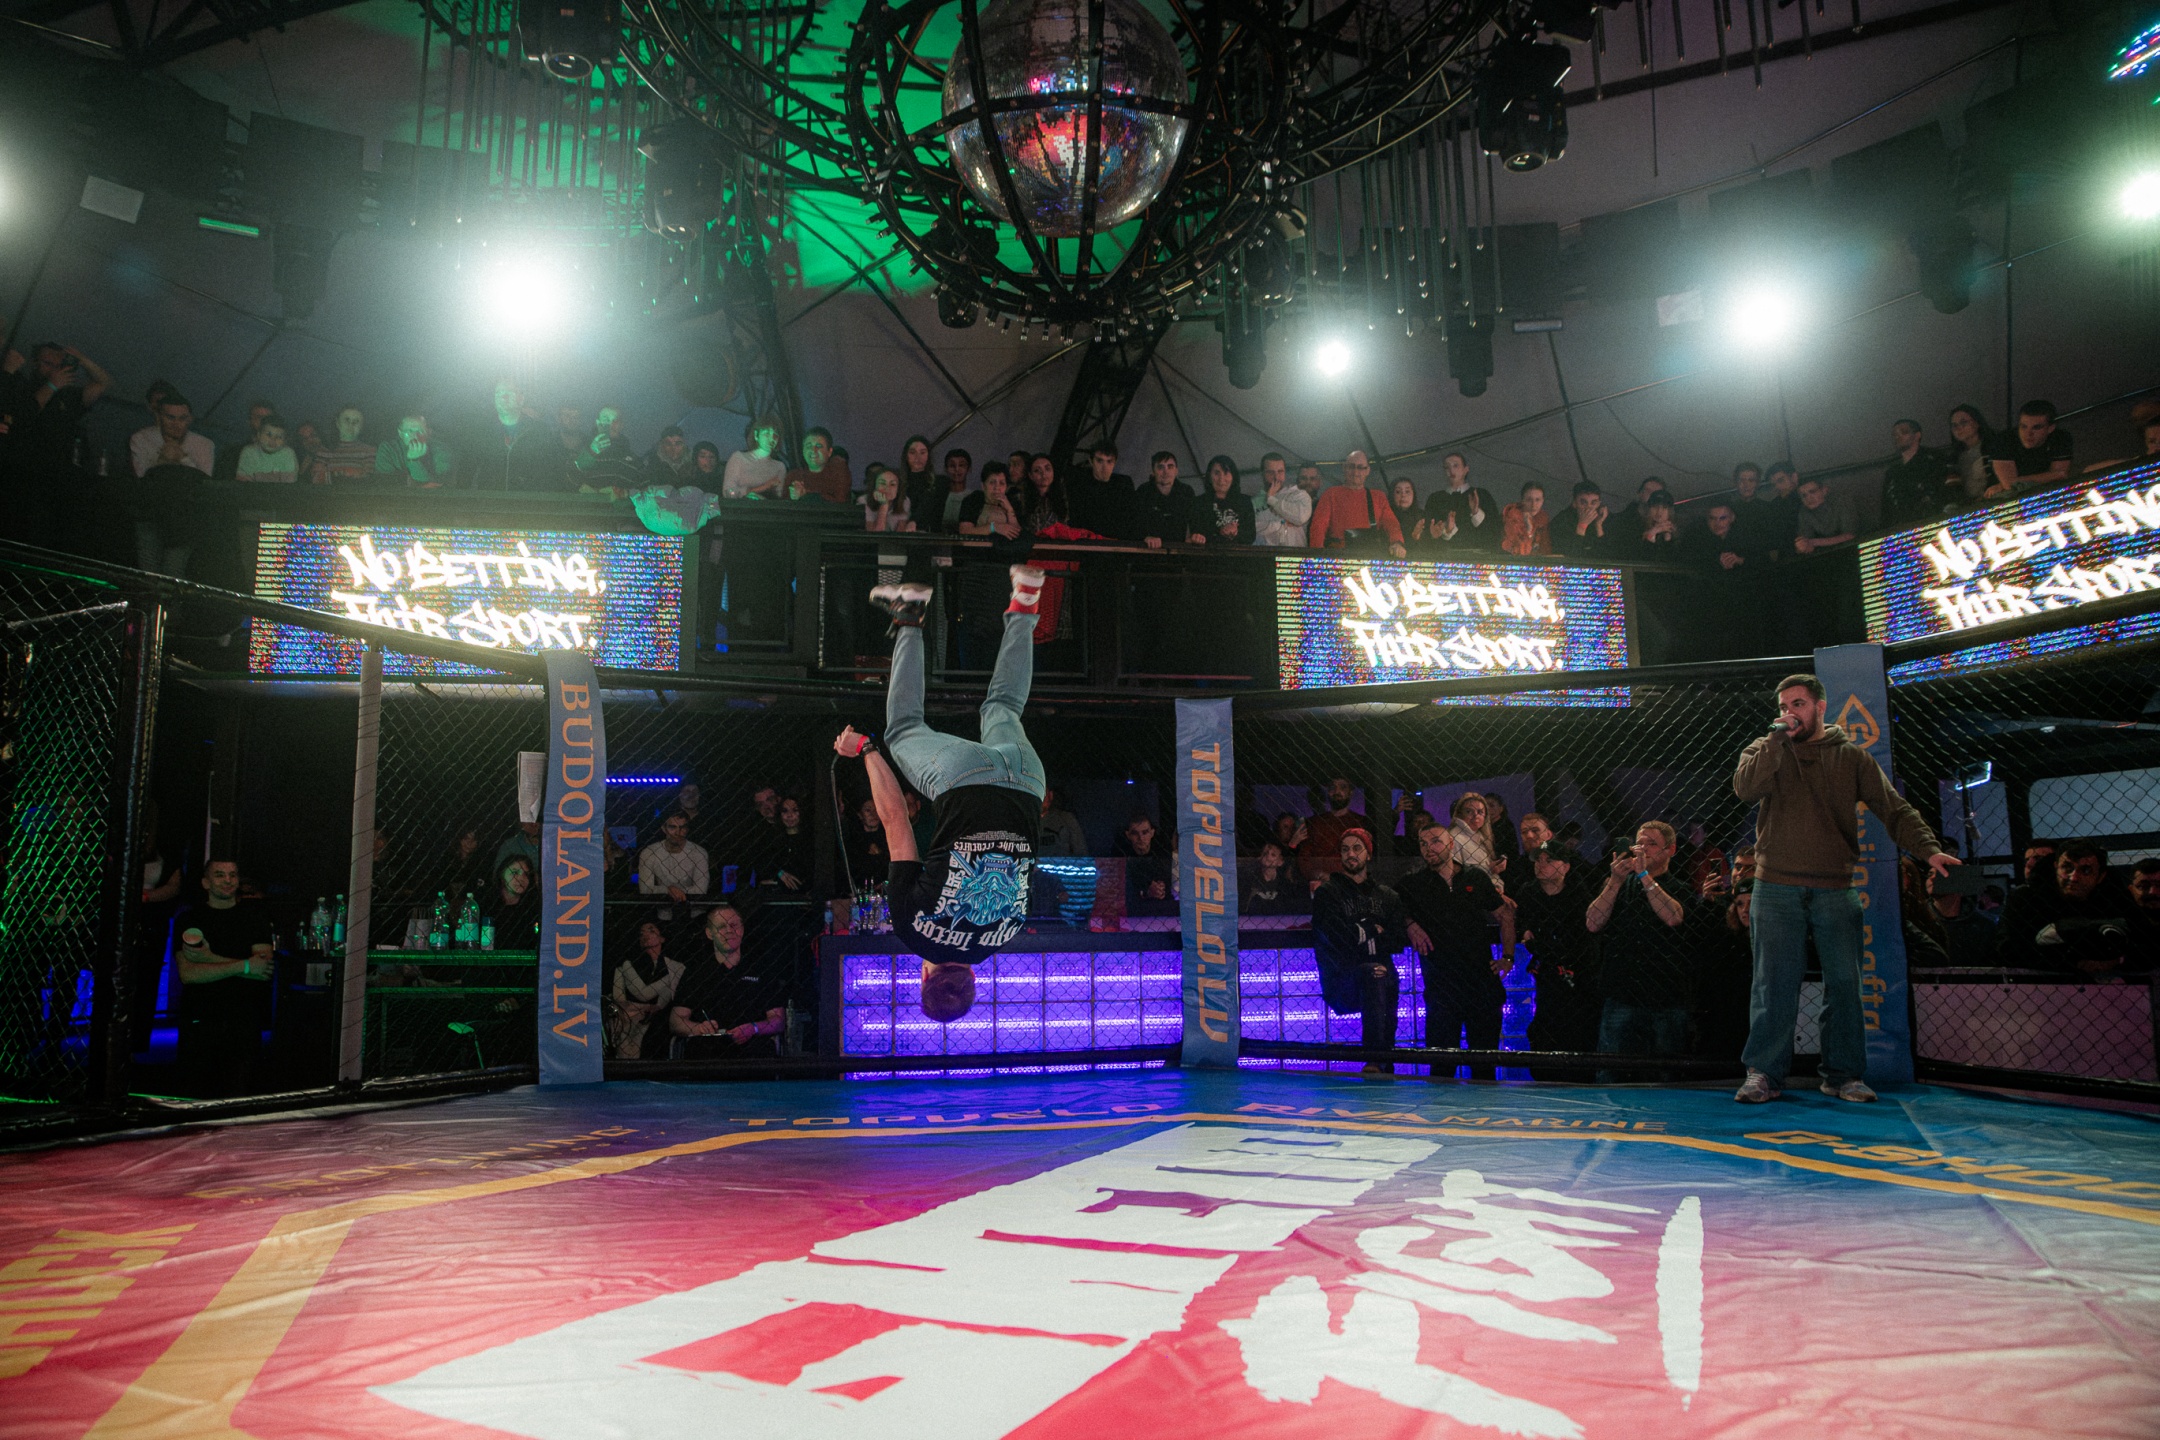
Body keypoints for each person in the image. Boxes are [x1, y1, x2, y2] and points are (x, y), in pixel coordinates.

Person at [835, 564, 1049, 1022]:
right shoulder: (913, 932)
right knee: (903, 728)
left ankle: (1025, 602)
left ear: (974, 979)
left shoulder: (1005, 934)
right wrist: (867, 750)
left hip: (1029, 782)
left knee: (1004, 706)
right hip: (964, 781)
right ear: (924, 979)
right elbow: (896, 822)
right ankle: (909, 614)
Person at [1733, 673, 1954, 1103]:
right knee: (1772, 985)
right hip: (1775, 885)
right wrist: (1775, 740)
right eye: (1782, 707)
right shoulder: (1764, 748)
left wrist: (1929, 851)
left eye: (1797, 704)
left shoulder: (1851, 757)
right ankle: (1764, 1074)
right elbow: (1745, 789)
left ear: (1820, 707)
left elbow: (1894, 809)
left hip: (1835, 886)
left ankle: (1843, 1075)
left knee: (1845, 983)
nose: (1788, 713)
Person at [1398, 823, 1516, 1080]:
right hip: (1441, 983)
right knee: (1442, 1067)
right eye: (1423, 843)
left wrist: (1508, 957)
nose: (1429, 848)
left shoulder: (1474, 877)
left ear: (1451, 844)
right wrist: (1410, 924)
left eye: (1435, 841)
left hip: (1480, 981)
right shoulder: (1414, 884)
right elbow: (1392, 908)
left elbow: (1505, 914)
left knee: (1484, 1066)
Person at [1585, 821, 1695, 1075]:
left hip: (1664, 996)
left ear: (1670, 850)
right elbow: (1592, 922)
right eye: (1639, 843)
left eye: (1651, 844)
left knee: (1665, 1073)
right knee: (1612, 1070)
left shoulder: (1679, 888)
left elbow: (1673, 917)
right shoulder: (1620, 887)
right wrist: (1615, 881)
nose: (1642, 849)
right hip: (1622, 993)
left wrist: (1645, 876)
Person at [1311, 828, 1411, 1075]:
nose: (1350, 854)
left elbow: (1398, 939)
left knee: (1384, 973)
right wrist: (1372, 930)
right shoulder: (1328, 893)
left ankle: (1385, 1060)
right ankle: (1375, 1059)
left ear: (1368, 853)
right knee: (1374, 971)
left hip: (1381, 974)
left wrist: (1358, 933)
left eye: (1357, 848)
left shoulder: (1387, 895)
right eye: (1345, 849)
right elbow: (1336, 936)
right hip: (1342, 978)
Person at [173, 857, 273, 1098]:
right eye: (220, 875)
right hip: (200, 1019)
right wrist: (245, 966)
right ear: (206, 883)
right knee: (196, 1098)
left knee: (239, 1096)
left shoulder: (255, 917)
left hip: (243, 1020)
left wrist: (208, 958)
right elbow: (188, 974)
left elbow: (263, 970)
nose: (228, 880)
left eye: (232, 875)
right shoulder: (189, 920)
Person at [1516, 840, 1601, 1065]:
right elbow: (1522, 924)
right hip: (1546, 970)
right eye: (1538, 860)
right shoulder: (1529, 892)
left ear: (1565, 866)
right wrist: (1526, 934)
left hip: (1579, 971)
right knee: (1547, 1021)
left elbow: (1582, 935)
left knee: (1578, 1023)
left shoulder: (1579, 892)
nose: (1541, 864)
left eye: (1549, 860)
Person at [669, 903, 787, 1058]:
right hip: (707, 1050)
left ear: (742, 929)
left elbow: (778, 1020)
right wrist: (698, 1028)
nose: (729, 930)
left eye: (733, 925)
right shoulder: (696, 972)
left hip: (753, 1051)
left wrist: (753, 1028)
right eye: (722, 926)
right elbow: (676, 1020)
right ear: (709, 933)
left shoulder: (761, 968)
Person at [1995, 841, 2132, 974]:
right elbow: (2007, 948)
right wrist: (2076, 962)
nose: (2074, 877)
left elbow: (2140, 942)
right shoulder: (2025, 898)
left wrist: (2116, 960)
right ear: (2056, 867)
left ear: (2101, 876)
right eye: (2067, 867)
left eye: (2085, 870)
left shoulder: (2115, 899)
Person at [608, 920, 684, 1060]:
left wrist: (652, 1007)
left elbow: (662, 1003)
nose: (645, 935)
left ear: (662, 938)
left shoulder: (673, 966)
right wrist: (646, 1007)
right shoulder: (628, 963)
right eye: (641, 933)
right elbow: (638, 994)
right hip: (628, 1016)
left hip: (654, 1020)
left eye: (651, 931)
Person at [471, 378, 565, 490]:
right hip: (489, 499)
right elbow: (468, 470)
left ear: (521, 398)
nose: (503, 397)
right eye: (498, 393)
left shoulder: (539, 432)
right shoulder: (482, 431)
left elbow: (550, 473)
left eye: (509, 393)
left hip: (526, 499)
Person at [1307, 450, 1406, 555]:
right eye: (1351, 467)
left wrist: (1397, 542)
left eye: (1360, 467)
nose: (1355, 472)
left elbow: (1391, 523)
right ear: (1344, 468)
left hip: (1370, 556)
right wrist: (1317, 555)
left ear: (1367, 470)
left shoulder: (1378, 497)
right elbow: (1318, 527)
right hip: (1339, 556)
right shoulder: (1330, 494)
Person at [1984, 400, 2073, 498]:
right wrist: (2050, 476)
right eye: (2024, 427)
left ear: (2050, 428)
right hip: (2000, 499)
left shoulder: (2060, 438)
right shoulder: (2004, 440)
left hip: (2044, 495)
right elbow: (2011, 485)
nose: (2028, 433)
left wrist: (2015, 482)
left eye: (2036, 427)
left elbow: (2059, 478)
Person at [1880, 418, 1953, 532]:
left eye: (1904, 432)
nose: (1898, 437)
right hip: (1904, 528)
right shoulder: (1892, 472)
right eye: (1894, 434)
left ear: (1917, 435)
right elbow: (1887, 507)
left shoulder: (1935, 460)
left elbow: (1950, 489)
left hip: (1935, 522)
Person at [639, 811, 711, 917]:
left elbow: (700, 890)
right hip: (662, 913)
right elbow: (645, 889)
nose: (678, 832)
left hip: (695, 913)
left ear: (687, 829)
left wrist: (671, 891)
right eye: (672, 827)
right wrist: (668, 890)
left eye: (683, 827)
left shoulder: (699, 853)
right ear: (664, 828)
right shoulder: (649, 852)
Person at [129, 392, 214, 478]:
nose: (176, 424)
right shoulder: (141, 438)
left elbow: (204, 482)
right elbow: (141, 478)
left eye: (182, 418)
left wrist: (183, 459)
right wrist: (162, 460)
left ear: (190, 419)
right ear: (159, 417)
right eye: (170, 418)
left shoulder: (205, 444)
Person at [1423, 453, 1498, 549]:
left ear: (1466, 469)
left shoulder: (1481, 495)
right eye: (1447, 467)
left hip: (1478, 554)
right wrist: (1446, 531)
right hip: (1445, 555)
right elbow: (1429, 535)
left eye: (1455, 465)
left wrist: (1476, 512)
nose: (1451, 470)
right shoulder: (1435, 499)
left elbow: (1493, 530)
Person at [1301, 777, 1367, 882]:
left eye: (1343, 787)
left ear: (1350, 793)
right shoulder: (1314, 823)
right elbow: (1304, 857)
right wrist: (1318, 874)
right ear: (1328, 792)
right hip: (1320, 882)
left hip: (1351, 882)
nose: (1337, 791)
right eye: (1332, 788)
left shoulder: (1360, 822)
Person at [1131, 451, 1200, 549]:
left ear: (1176, 471)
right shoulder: (1143, 491)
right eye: (1160, 467)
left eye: (1170, 467)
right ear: (1153, 471)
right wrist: (1145, 537)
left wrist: (1195, 535)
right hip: (1150, 549)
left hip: (1178, 549)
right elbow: (1134, 523)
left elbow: (1195, 520)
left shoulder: (1186, 492)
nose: (1165, 472)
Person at [1066, 443, 1133, 540]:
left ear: (1115, 462)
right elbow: (1078, 520)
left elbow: (1129, 518)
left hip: (1115, 542)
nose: (1104, 467)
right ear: (1091, 461)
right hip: (1087, 541)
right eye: (1099, 461)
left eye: (1109, 461)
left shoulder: (1124, 484)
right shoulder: (1080, 484)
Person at [376, 412, 457, 488]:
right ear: (400, 433)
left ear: (429, 432)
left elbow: (439, 483)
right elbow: (385, 482)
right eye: (409, 431)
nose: (415, 436)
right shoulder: (388, 448)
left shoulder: (441, 449)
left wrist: (413, 460)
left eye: (420, 431)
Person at [1446, 792, 1506, 893]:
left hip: (1489, 890)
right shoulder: (1455, 837)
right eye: (1469, 811)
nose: (1475, 815)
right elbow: (1455, 874)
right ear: (1460, 814)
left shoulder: (1481, 836)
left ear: (1485, 815)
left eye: (1480, 811)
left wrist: (1491, 867)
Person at [1118, 814, 1176, 915]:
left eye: (1145, 832)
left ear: (1152, 833)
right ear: (1128, 835)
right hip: (1132, 906)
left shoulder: (1162, 851)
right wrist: (1146, 889)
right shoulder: (1121, 853)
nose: (1141, 838)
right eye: (1135, 833)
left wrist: (1160, 887)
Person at [1252, 452, 1312, 547]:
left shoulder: (1298, 495)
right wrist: (1281, 523)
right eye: (1270, 472)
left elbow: (1301, 517)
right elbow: (1252, 529)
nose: (1276, 477)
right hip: (1267, 553)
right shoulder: (1252, 502)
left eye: (1280, 471)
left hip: (1295, 553)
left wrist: (1271, 500)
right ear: (1262, 474)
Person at [480, 855, 541, 950]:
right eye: (515, 873)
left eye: (526, 874)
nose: (521, 878)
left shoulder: (532, 907)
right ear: (502, 875)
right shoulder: (487, 903)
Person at [1190, 455, 1254, 545]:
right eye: (1217, 473)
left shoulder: (1245, 502)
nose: (1221, 479)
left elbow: (1250, 536)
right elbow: (1196, 533)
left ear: (1233, 476)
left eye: (1226, 473)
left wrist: (1235, 532)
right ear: (1209, 476)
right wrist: (1220, 531)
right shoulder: (1198, 503)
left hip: (1238, 553)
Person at [723, 415, 788, 499]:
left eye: (775, 434)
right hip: (742, 506)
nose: (771, 438)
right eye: (767, 434)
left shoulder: (779, 467)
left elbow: (778, 498)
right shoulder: (739, 458)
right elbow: (728, 492)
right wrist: (759, 489)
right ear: (756, 435)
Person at [311, 405, 374, 485]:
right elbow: (316, 478)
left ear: (361, 426)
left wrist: (330, 473)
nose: (351, 424)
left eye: (356, 421)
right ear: (337, 423)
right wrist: (348, 472)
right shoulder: (324, 450)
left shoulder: (369, 451)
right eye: (346, 420)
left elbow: (368, 479)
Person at [786, 426, 851, 503]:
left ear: (829, 452)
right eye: (809, 446)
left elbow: (840, 503)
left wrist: (806, 494)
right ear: (803, 450)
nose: (813, 450)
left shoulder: (838, 474)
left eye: (819, 446)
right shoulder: (793, 476)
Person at [1792, 477, 1857, 554]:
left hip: (1855, 548)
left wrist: (1814, 542)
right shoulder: (1804, 512)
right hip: (1825, 554)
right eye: (1804, 495)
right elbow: (1805, 541)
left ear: (1824, 490)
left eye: (1812, 492)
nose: (1809, 498)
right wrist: (1802, 546)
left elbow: (1850, 535)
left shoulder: (1842, 502)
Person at [1945, 404, 1994, 507]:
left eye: (1963, 422)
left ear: (1977, 423)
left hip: (1993, 502)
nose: (1959, 428)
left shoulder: (1993, 448)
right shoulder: (1953, 459)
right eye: (1954, 425)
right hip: (1967, 508)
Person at [957, 463, 1022, 538]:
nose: (997, 487)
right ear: (983, 486)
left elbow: (1018, 535)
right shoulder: (973, 499)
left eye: (1001, 483)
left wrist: (1009, 510)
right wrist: (994, 527)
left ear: (1006, 487)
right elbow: (964, 530)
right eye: (992, 483)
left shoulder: (1012, 501)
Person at [1242, 842, 1305, 915]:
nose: (1268, 856)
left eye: (1273, 855)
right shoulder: (1249, 877)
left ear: (1280, 862)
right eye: (1265, 853)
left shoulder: (1284, 883)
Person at [1549, 480, 1609, 558]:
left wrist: (1598, 526)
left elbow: (1606, 556)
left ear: (1599, 504)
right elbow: (1569, 556)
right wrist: (1582, 526)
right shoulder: (1562, 520)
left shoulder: (1602, 518)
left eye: (1593, 503)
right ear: (1574, 503)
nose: (1588, 508)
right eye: (1583, 503)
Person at [925, 448, 976, 534]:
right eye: (952, 466)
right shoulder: (938, 497)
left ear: (969, 469)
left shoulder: (973, 497)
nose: (957, 469)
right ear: (946, 469)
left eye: (961, 465)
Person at [235, 414, 299, 482]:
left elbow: (290, 484)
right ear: (259, 435)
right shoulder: (249, 453)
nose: (273, 440)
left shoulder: (288, 454)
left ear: (285, 440)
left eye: (279, 437)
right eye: (269, 435)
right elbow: (243, 483)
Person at [1018, 453, 1070, 534]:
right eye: (1037, 471)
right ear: (1030, 475)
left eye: (1047, 469)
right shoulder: (1021, 499)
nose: (1043, 474)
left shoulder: (1064, 496)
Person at [1501, 481, 1554, 556]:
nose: (1533, 505)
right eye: (1529, 500)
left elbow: (1546, 549)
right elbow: (1520, 554)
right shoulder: (1512, 518)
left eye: (1537, 500)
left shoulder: (1543, 518)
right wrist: (1529, 531)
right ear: (1522, 501)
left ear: (1543, 501)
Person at [896, 434, 940, 521]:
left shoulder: (938, 483)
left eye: (922, 453)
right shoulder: (896, 482)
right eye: (912, 453)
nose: (917, 457)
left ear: (928, 456)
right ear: (906, 456)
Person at [862, 465, 916, 532]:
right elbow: (875, 535)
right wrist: (884, 505)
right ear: (874, 486)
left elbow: (900, 533)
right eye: (882, 483)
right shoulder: (863, 501)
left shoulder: (904, 501)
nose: (887, 488)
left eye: (892, 484)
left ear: (898, 489)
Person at [1038, 786, 1087, 857]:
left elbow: (1081, 852)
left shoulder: (1066, 819)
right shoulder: (1024, 822)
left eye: (1043, 794)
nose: (1040, 799)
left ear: (1050, 795)